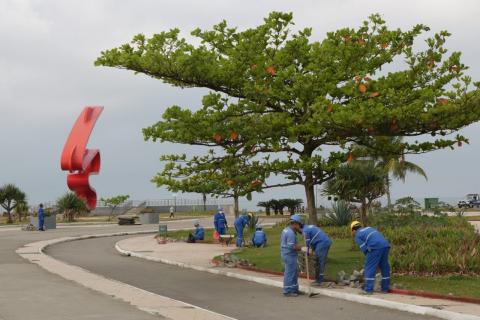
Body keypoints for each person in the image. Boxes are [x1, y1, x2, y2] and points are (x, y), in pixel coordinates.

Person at [351, 220, 391, 295]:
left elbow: (364, 249)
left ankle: (368, 289)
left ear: (353, 230)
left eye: (352, 231)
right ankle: (385, 288)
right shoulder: (369, 228)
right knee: (384, 267)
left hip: (375, 247)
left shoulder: (357, 235)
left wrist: (370, 259)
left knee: (369, 267)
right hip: (385, 245)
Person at [280, 214, 303, 297]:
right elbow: (292, 246)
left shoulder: (286, 230)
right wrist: (303, 248)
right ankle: (287, 291)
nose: (299, 227)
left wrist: (300, 231)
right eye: (299, 225)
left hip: (287, 254)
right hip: (289, 255)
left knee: (294, 272)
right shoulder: (290, 233)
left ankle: (294, 289)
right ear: (294, 224)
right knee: (290, 273)